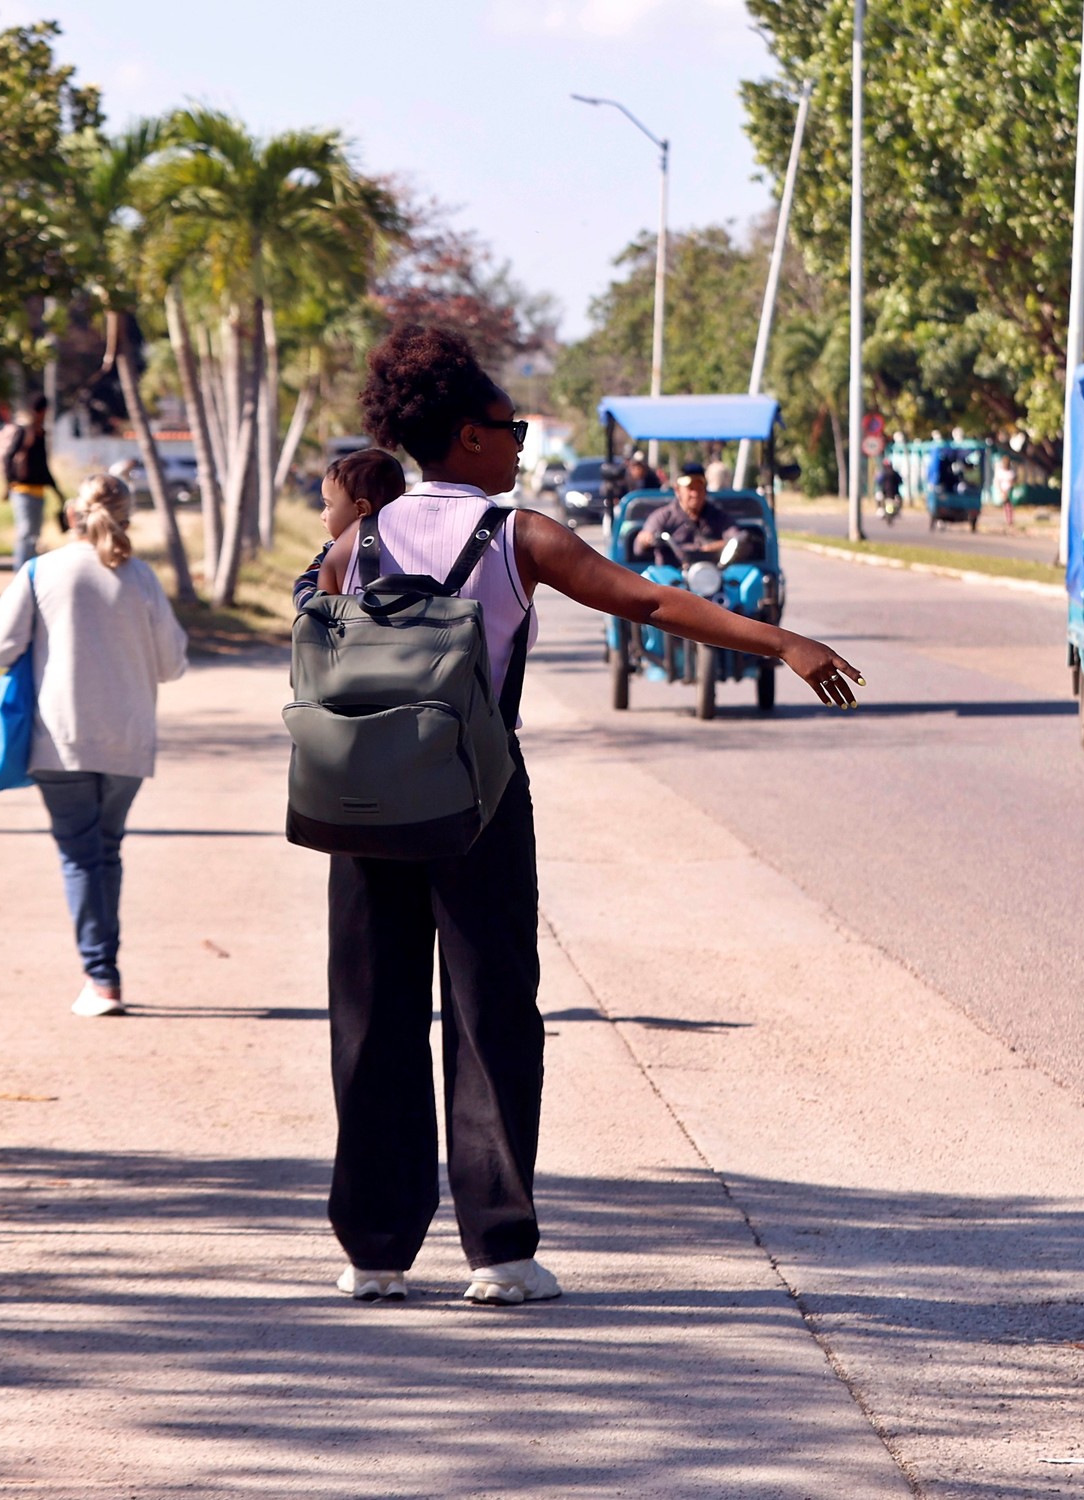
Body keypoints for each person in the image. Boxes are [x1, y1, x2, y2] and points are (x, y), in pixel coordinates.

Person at [311, 323, 860, 1307]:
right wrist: (780, 642)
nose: (518, 444)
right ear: (468, 436)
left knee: (371, 1018)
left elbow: (321, 652)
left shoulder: (357, 542)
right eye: (509, 427)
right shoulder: (517, 536)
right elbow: (646, 604)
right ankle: (498, 1254)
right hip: (476, 802)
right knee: (489, 1017)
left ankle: (375, 1252)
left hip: (362, 800)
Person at [0, 474, 189, 1017]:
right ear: (128, 517)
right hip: (128, 739)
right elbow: (172, 664)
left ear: (73, 513)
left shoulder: (41, 570)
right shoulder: (141, 577)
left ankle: (101, 978)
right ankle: (103, 973)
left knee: (80, 855)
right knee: (106, 850)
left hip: (60, 738)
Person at [294, 447, 408, 608]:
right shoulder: (407, 547)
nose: (323, 515)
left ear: (361, 509)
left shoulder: (334, 552)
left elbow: (304, 585)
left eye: (328, 506)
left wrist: (318, 604)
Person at [0, 396, 66, 570]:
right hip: (22, 491)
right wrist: (10, 482)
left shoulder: (40, 433)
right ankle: (20, 573)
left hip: (38, 491)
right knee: (26, 534)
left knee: (34, 536)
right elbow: (8, 457)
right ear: (42, 411)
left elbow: (43, 466)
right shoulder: (24, 431)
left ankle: (30, 574)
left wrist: (57, 492)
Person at [634, 468, 739, 565]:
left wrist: (717, 546)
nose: (695, 494)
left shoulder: (718, 516)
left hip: (712, 573)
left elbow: (737, 537)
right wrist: (646, 539)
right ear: (677, 490)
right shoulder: (662, 516)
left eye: (699, 488)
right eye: (690, 488)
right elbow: (640, 544)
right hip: (671, 575)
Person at [992, 452, 1017, 532]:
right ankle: (1008, 519)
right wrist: (1002, 491)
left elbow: (1013, 481)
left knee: (1010, 505)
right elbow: (998, 482)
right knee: (1006, 505)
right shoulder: (1000, 472)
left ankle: (1010, 520)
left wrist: (1009, 489)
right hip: (1003, 490)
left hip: (1010, 490)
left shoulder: (1011, 472)